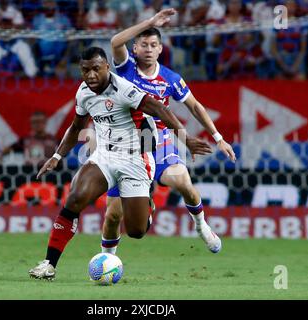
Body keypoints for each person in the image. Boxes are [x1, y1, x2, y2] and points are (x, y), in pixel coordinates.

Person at [28, 47, 212, 280]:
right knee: (75, 198)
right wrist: (56, 156)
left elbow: (160, 109)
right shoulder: (84, 92)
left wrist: (187, 140)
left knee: (136, 231)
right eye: (85, 70)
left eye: (96, 69)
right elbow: (76, 127)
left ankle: (147, 207)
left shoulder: (124, 89)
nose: (91, 75)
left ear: (106, 67)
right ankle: (49, 264)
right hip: (104, 155)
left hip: (136, 158)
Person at [100, 8, 236, 255]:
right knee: (113, 215)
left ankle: (201, 224)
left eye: (154, 44)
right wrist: (150, 22)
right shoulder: (125, 69)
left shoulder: (170, 79)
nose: (149, 49)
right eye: (144, 44)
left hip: (160, 141)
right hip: (126, 145)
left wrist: (219, 138)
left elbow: (195, 106)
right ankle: (108, 259)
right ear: (135, 49)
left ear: (161, 49)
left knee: (183, 182)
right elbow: (115, 41)